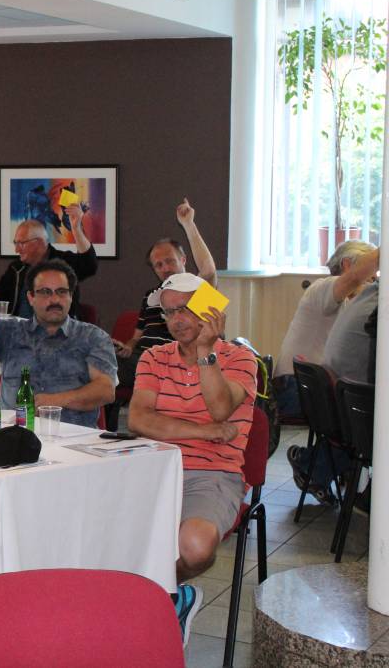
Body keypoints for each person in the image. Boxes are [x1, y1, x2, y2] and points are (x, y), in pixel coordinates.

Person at [126, 272, 257, 645]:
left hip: (212, 472)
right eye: (169, 312)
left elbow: (220, 408)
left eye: (185, 309)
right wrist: (205, 432)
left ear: (209, 310)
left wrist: (206, 352)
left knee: (196, 546)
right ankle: (152, 602)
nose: (177, 320)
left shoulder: (241, 358)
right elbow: (139, 420)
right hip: (154, 467)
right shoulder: (154, 357)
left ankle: (154, 595)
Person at [0, 234, 116, 428]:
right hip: (14, 435)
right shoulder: (12, 333)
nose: (54, 299)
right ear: (31, 298)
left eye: (62, 292)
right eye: (45, 292)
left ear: (71, 296)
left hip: (72, 436)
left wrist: (54, 401)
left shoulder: (92, 337)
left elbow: (105, 390)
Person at [286, 276, 380, 505]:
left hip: (332, 403)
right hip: (347, 412)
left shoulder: (367, 296)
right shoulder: (376, 305)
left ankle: (312, 464)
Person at [114, 198, 218, 391]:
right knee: (98, 360)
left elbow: (209, 271)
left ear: (183, 260)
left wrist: (188, 224)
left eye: (170, 261)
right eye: (158, 265)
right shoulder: (151, 296)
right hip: (142, 358)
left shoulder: (194, 292)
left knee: (106, 370)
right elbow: (136, 338)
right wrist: (127, 347)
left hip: (176, 362)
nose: (165, 268)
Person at [274, 242, 378, 417]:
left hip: (308, 387)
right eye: (369, 278)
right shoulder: (322, 287)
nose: (372, 285)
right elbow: (353, 279)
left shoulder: (348, 302)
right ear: (347, 265)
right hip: (296, 389)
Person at [0, 215, 96, 319]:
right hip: (20, 328)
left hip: (58, 327)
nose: (17, 250)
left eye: (21, 243)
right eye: (16, 243)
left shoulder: (65, 263)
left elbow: (89, 265)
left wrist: (77, 229)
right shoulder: (17, 268)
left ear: (39, 242)